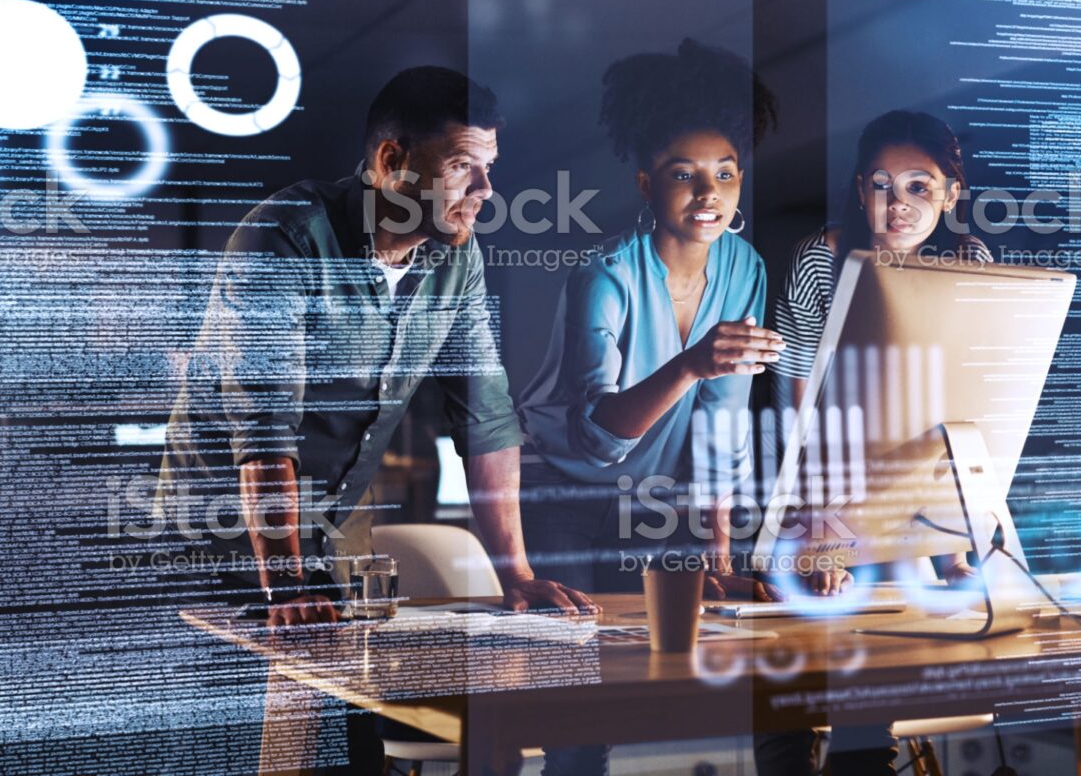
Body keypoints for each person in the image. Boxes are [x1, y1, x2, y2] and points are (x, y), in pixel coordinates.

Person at [156, 65, 596, 624]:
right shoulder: (284, 236)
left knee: (327, 706)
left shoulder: (457, 259)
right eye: (462, 166)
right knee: (223, 708)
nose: (486, 191)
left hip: (338, 540)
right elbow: (266, 433)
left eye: (489, 168)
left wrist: (518, 577)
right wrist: (288, 587)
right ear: (391, 163)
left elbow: (486, 419)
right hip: (222, 543)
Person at [516, 38, 797, 775]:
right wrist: (691, 363)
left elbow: (721, 425)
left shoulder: (745, 267)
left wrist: (720, 556)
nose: (708, 194)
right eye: (684, 175)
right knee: (580, 712)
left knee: (681, 670)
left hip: (655, 492)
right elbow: (597, 435)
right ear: (646, 185)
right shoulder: (603, 275)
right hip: (561, 485)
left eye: (725, 175)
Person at [763, 109, 992, 776]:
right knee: (793, 694)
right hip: (817, 487)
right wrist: (821, 530)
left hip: (911, 495)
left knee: (877, 684)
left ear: (951, 194)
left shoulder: (966, 261)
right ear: (861, 189)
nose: (899, 206)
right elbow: (795, 409)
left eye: (921, 187)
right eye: (883, 186)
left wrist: (956, 532)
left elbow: (967, 403)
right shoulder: (822, 258)